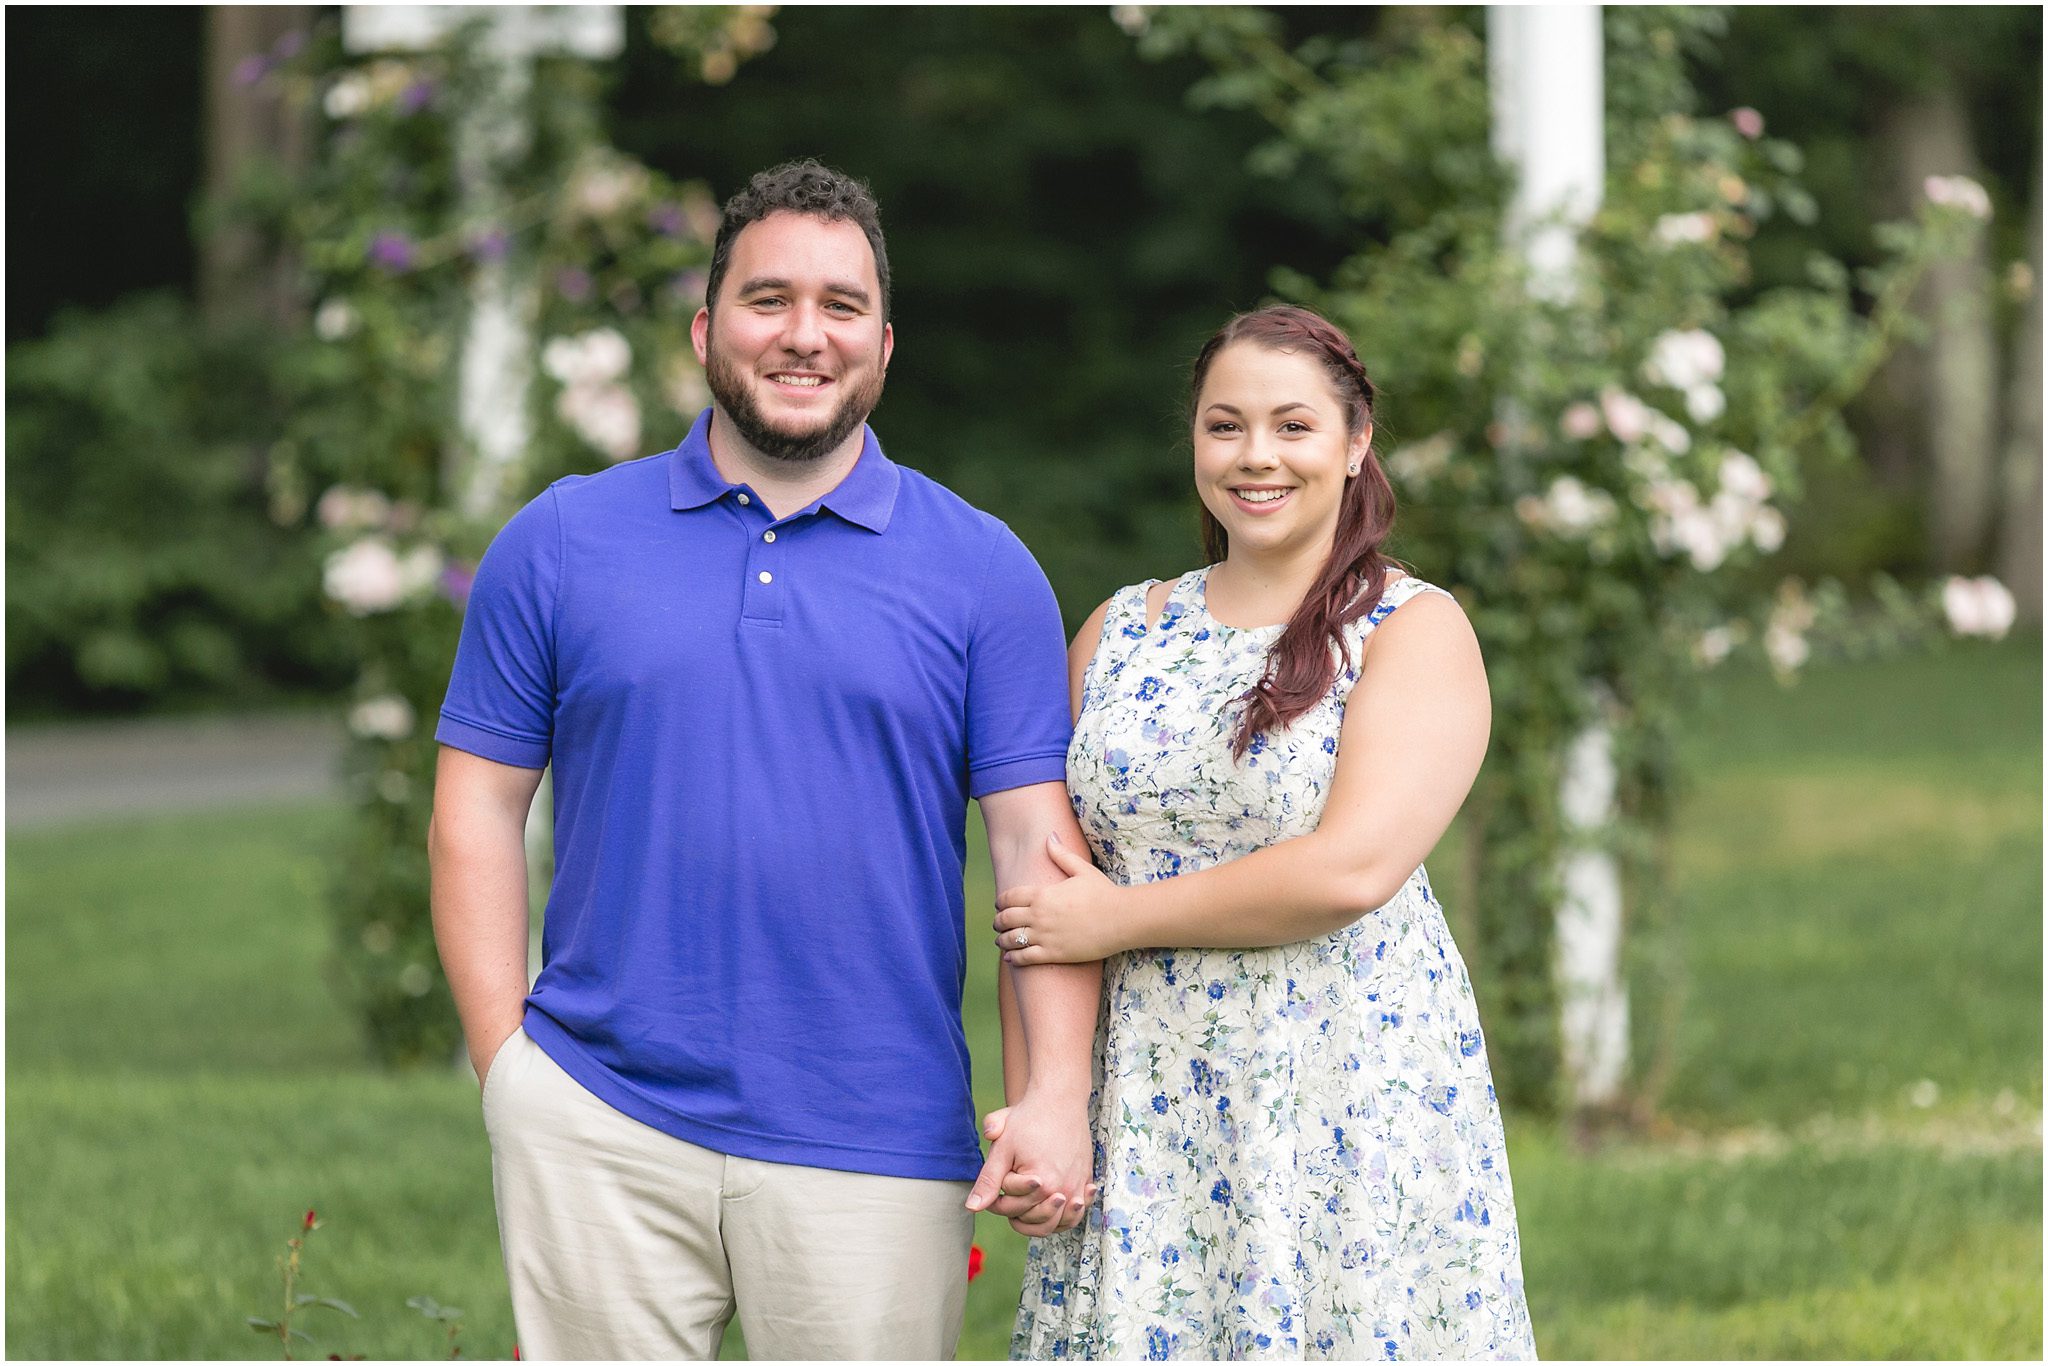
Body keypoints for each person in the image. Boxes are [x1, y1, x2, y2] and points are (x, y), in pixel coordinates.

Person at [429, 159, 1100, 1361]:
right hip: (598, 1118)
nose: (804, 334)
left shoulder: (982, 570)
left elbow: (1032, 859)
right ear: (703, 329)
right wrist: (508, 1070)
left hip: (876, 1138)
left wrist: (1052, 1098)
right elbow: (476, 805)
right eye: (767, 299)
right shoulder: (562, 540)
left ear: (884, 345)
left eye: (840, 306)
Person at [991, 305, 1537, 1359]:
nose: (1255, 456)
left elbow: (1350, 868)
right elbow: (1043, 897)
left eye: (1292, 426)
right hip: (1147, 1102)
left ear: (1354, 442)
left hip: (1339, 1086)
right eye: (1223, 425)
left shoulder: (1410, 630)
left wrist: (1116, 919)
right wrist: (1038, 1107)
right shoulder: (1121, 628)